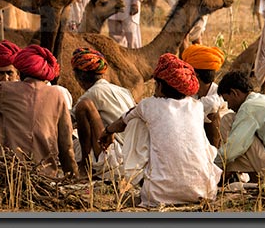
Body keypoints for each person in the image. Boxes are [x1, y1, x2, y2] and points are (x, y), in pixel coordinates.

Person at [99, 53, 222, 207]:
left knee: (135, 122)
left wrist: (107, 131)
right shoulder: (197, 106)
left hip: (158, 195)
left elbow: (122, 121)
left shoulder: (148, 105)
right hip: (205, 192)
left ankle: (137, 179)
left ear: (160, 86)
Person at [0, 45, 78, 178]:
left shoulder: (5, 90)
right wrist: (72, 176)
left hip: (11, 172)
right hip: (46, 175)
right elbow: (66, 145)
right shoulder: (58, 95)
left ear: (20, 73)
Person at [70, 48, 136, 177]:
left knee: (82, 109)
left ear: (78, 77)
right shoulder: (123, 90)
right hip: (133, 160)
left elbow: (69, 120)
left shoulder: (92, 94)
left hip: (114, 161)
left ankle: (85, 165)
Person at [181, 44, 230, 148]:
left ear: (195, 74)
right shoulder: (192, 93)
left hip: (222, 144)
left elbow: (209, 105)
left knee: (211, 115)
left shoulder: (218, 94)